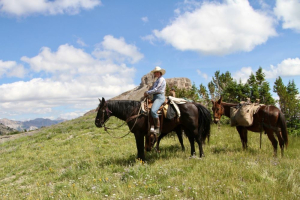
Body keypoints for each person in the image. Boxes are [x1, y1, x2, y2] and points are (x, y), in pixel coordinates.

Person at [144, 66, 166, 135]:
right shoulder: (157, 80)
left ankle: (157, 128)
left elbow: (157, 89)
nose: (155, 73)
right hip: (155, 97)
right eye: (155, 72)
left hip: (159, 97)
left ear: (159, 72)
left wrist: (148, 92)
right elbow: (153, 89)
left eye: (156, 72)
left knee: (153, 110)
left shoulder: (161, 79)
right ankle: (151, 125)